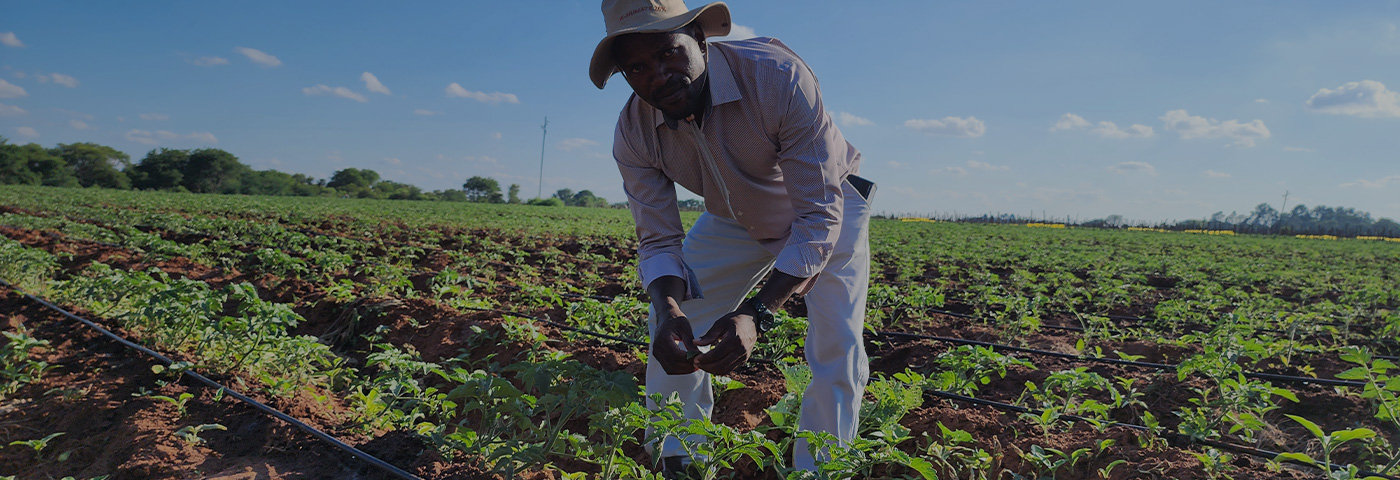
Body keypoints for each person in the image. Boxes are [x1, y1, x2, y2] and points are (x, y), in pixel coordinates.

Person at [589, 0, 875, 474]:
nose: (658, 75)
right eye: (638, 67)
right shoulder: (635, 131)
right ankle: (679, 457)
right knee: (672, 325)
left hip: (827, 206)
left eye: (668, 53)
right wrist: (668, 310)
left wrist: (756, 313)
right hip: (732, 216)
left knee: (836, 342)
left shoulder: (775, 76)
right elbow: (659, 242)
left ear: (700, 40)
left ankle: (819, 470)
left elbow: (816, 219)